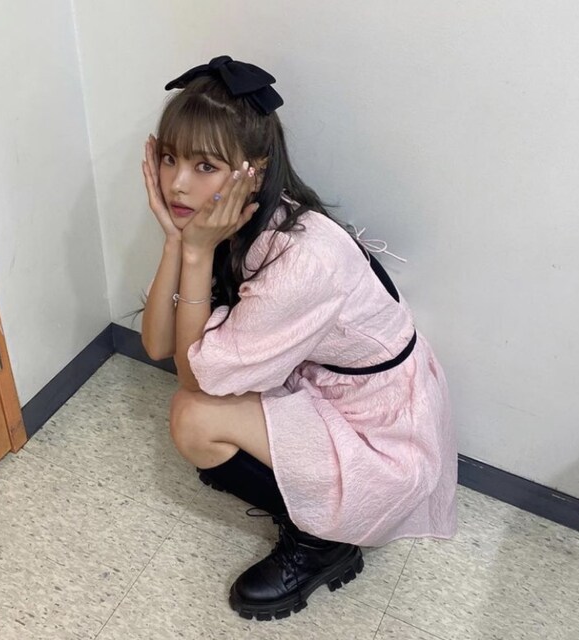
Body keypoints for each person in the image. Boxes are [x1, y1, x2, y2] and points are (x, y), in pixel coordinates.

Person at [140, 55, 457, 621]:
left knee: (193, 418)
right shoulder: (233, 221)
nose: (178, 183)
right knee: (200, 418)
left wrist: (195, 252)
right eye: (169, 158)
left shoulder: (302, 258)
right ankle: (301, 501)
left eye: (205, 165)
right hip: (323, 386)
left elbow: (190, 376)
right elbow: (157, 345)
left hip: (379, 432)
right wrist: (175, 241)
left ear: (254, 171)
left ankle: (323, 544)